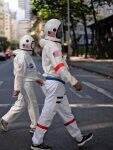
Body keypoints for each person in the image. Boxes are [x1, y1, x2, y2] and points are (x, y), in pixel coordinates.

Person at [31, 19, 93, 150]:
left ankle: (79, 138)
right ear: (53, 31)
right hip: (55, 84)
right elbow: (59, 67)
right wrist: (74, 82)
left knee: (66, 113)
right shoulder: (53, 46)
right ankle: (36, 142)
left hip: (55, 84)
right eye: (59, 29)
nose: (61, 31)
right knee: (47, 114)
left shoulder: (51, 44)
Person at [0, 35, 43, 134]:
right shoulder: (23, 56)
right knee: (32, 103)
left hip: (26, 83)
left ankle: (5, 120)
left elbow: (31, 70)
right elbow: (19, 73)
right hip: (25, 84)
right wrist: (17, 88)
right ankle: (35, 126)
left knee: (21, 104)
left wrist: (37, 78)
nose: (33, 46)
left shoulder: (25, 55)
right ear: (27, 44)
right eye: (32, 44)